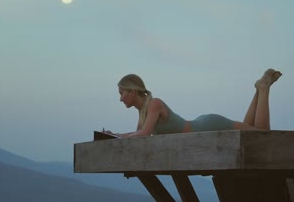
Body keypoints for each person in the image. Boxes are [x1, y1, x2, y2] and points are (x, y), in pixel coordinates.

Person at [104, 68, 282, 138]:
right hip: (202, 124)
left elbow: (144, 134)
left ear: (133, 91)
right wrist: (115, 135)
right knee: (250, 131)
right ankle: (259, 90)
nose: (120, 99)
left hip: (209, 125)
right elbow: (138, 133)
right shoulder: (143, 110)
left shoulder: (154, 104)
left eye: (122, 93)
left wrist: (118, 137)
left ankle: (263, 88)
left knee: (262, 134)